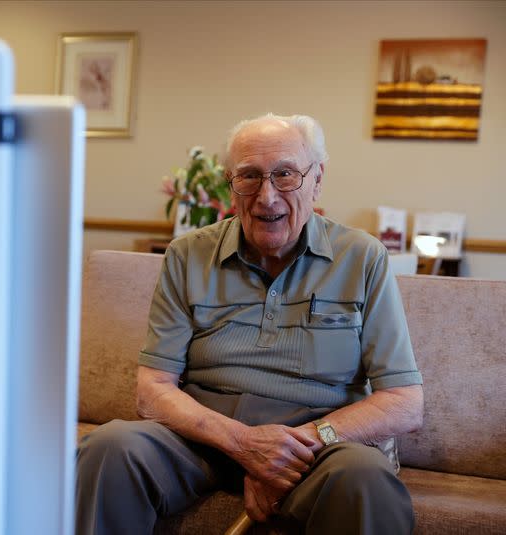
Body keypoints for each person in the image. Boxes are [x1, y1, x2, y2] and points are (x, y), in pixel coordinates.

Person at [76, 113, 424, 535]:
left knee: (365, 478)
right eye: (250, 177)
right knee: (110, 447)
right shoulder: (188, 255)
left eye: (285, 175)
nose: (267, 196)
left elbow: (404, 401)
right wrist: (243, 444)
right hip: (205, 439)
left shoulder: (362, 258)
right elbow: (153, 390)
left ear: (317, 180)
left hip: (315, 449)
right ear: (230, 184)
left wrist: (292, 447)